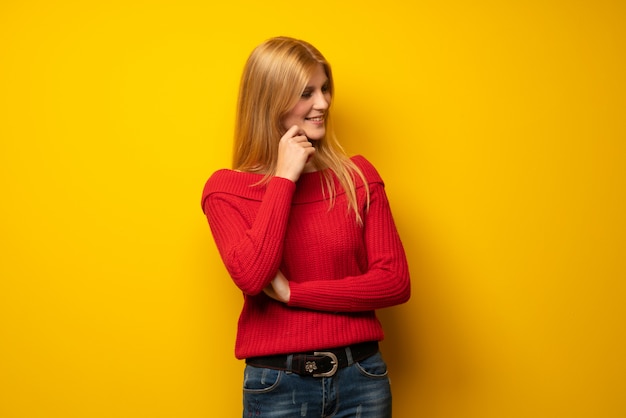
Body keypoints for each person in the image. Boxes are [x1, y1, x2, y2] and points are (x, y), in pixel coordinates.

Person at [200, 36, 410, 418]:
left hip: (361, 378)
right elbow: (251, 275)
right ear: (269, 100)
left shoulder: (358, 176)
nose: (324, 103)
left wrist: (294, 293)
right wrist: (284, 178)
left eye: (325, 88)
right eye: (306, 92)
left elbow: (394, 281)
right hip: (277, 385)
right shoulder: (225, 190)